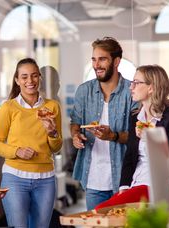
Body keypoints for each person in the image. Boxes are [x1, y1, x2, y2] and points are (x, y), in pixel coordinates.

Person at [95, 64, 169, 209]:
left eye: (136, 83)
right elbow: (130, 156)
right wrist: (124, 187)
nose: (131, 87)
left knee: (100, 211)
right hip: (135, 184)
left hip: (157, 186)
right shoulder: (135, 118)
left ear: (151, 88)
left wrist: (150, 138)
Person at [0, 58, 63, 227]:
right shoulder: (8, 108)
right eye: (24, 77)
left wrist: (52, 132)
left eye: (34, 76)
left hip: (46, 180)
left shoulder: (52, 107)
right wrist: (17, 151)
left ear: (39, 78)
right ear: (17, 80)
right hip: (15, 178)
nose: (30, 81)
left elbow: (56, 148)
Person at [70, 37, 138, 210]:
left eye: (102, 59)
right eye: (94, 59)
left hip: (125, 179)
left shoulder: (132, 92)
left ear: (116, 61)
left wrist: (113, 136)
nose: (96, 65)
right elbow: (75, 123)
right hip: (93, 179)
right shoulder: (84, 91)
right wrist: (75, 136)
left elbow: (138, 136)